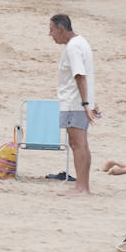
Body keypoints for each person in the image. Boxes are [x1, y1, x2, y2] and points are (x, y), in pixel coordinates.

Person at [49, 13, 96, 194]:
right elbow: (87, 75)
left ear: (62, 29)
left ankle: (81, 187)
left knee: (77, 144)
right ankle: (84, 186)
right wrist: (91, 101)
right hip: (80, 101)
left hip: (74, 102)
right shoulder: (82, 42)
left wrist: (85, 103)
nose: (50, 34)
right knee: (81, 143)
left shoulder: (73, 47)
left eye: (52, 30)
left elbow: (80, 75)